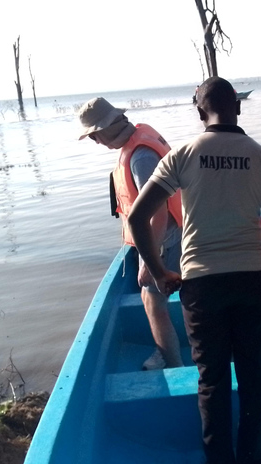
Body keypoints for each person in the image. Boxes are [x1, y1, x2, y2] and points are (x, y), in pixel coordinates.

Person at [128, 77, 261, 464]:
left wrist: (160, 272)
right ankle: (253, 456)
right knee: (253, 376)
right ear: (238, 107)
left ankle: (219, 459)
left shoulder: (181, 155)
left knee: (211, 380)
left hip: (202, 286)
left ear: (199, 112)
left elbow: (138, 217)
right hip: (252, 281)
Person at [77, 97, 183, 370]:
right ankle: (166, 351)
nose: (96, 143)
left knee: (152, 301)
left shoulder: (141, 157)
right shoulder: (137, 139)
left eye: (94, 137)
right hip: (166, 235)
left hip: (167, 240)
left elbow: (158, 213)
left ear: (105, 130)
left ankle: (172, 363)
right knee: (152, 298)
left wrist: (151, 263)